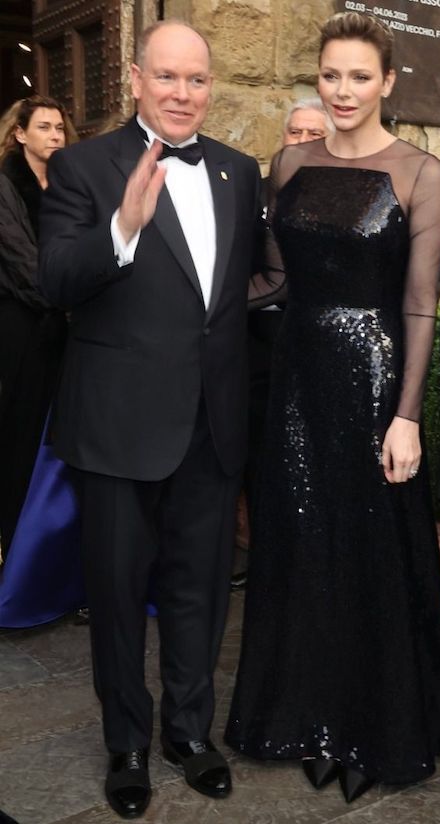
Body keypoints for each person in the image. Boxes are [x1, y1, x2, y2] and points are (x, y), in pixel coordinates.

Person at [225, 11, 440, 802]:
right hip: (297, 385)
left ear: (387, 82)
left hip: (374, 384)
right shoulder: (290, 163)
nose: (343, 90)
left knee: (370, 554)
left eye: (360, 76)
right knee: (302, 548)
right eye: (331, 75)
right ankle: (310, 717)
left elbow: (421, 305)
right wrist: (185, 306)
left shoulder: (419, 173)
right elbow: (275, 278)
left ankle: (374, 728)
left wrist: (407, 417)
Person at [38, 20, 262, 819]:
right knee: (119, 595)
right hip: (118, 426)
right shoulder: (83, 166)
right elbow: (54, 280)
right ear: (135, 79)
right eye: (167, 76)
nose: (182, 93)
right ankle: (128, 743)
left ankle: (189, 735)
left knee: (201, 592)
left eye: (196, 79)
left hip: (212, 423)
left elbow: (235, 295)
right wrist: (122, 229)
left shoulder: (240, 171)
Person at [232, 97, 333, 591]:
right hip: (255, 342)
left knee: (310, 459)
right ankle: (265, 564)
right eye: (296, 132)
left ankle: (309, 567)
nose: (303, 141)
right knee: (256, 455)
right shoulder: (255, 189)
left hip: (317, 346)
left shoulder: (343, 192)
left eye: (315, 134)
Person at [0, 95, 83, 627]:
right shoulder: (5, 187)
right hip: (23, 332)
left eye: (59, 128)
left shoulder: (70, 187)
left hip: (68, 331)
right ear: (20, 134)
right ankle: (17, 571)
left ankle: (60, 570)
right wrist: (74, 298)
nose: (55, 135)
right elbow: (21, 262)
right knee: (22, 445)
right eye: (44, 127)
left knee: (63, 452)